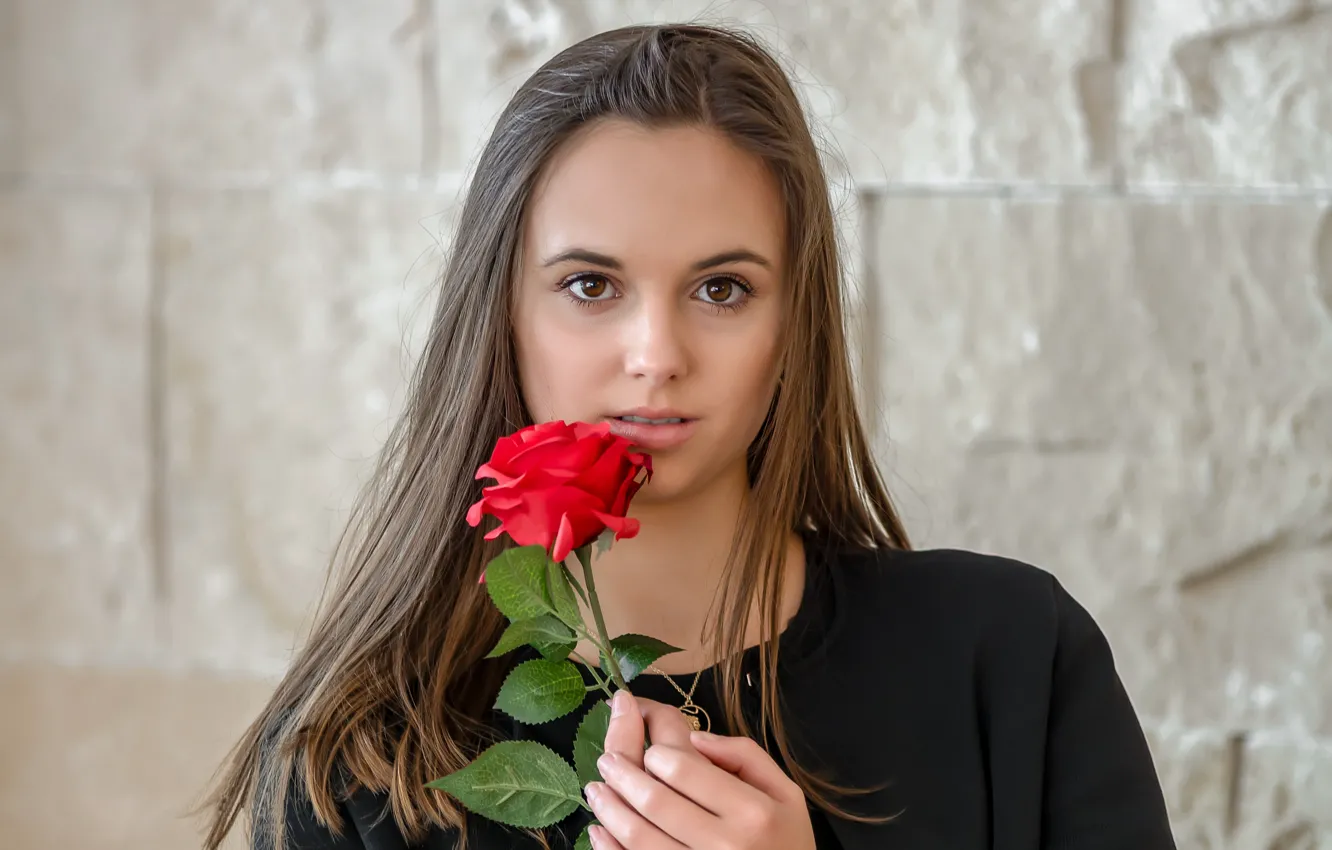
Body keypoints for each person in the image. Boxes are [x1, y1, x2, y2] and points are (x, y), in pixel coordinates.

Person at [199, 22, 1176, 850]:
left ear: (795, 324)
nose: (656, 352)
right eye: (591, 286)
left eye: (722, 289)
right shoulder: (363, 752)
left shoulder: (1009, 660)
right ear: (500, 316)